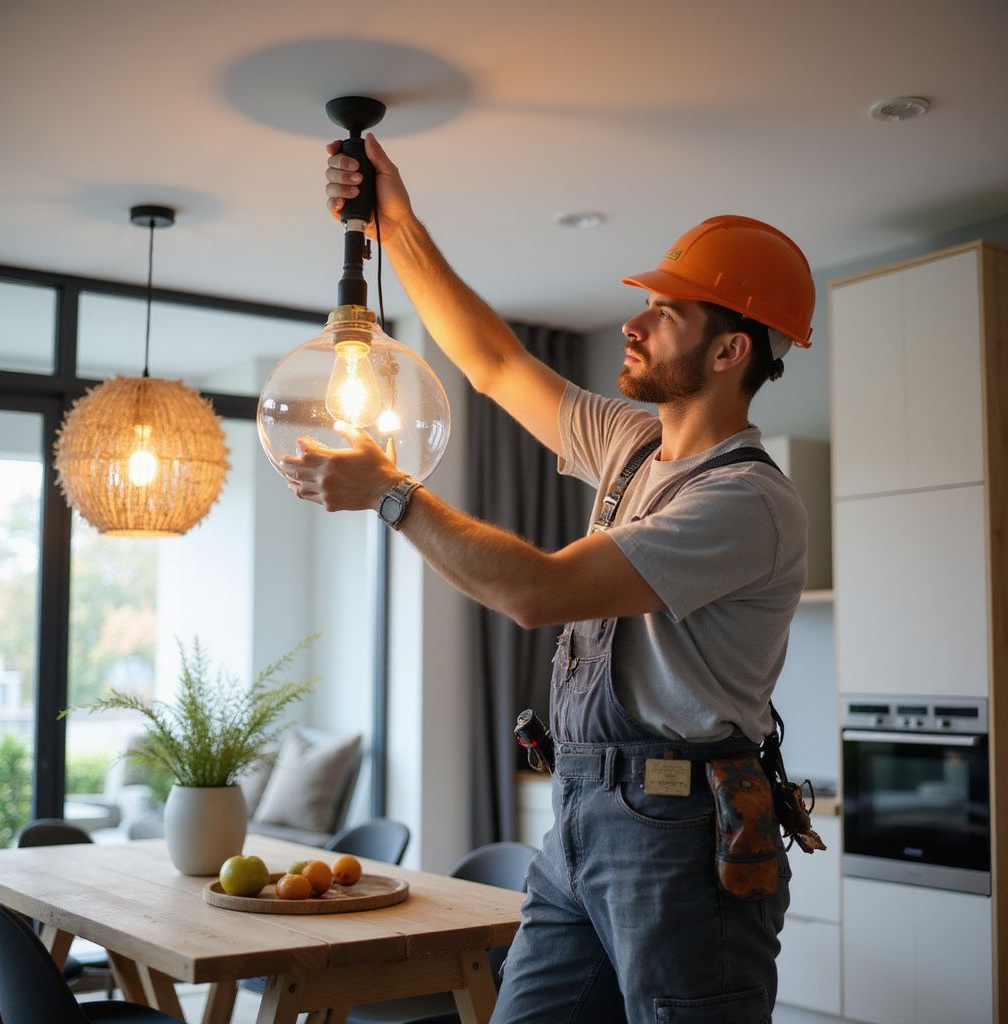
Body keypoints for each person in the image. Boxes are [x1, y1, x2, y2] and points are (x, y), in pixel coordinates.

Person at [283, 133, 815, 1024]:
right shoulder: (632, 443)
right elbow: (492, 364)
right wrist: (397, 224)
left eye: (666, 313)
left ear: (731, 353)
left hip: (680, 836)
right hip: (579, 809)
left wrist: (391, 496)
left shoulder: (747, 503)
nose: (632, 323)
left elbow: (538, 591)